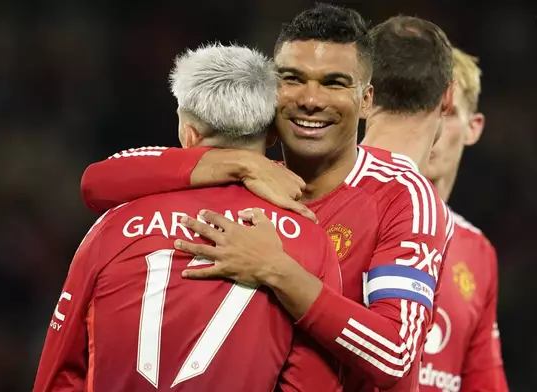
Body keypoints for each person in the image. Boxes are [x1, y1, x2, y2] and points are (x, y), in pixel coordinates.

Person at [79, 4, 454, 391]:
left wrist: (277, 270)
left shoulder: (402, 195)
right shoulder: (243, 181)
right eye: (292, 78)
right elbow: (98, 182)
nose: (311, 99)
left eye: (334, 83)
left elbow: (394, 354)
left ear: (366, 101)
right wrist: (236, 163)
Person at [32, 43, 342, 392]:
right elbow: (312, 382)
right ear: (272, 134)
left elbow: (62, 372)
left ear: (188, 133)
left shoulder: (114, 226)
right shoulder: (306, 235)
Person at [418, 48, 509, 392]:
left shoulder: (478, 252)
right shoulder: (354, 216)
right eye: (423, 110)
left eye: (449, 113)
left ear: (474, 128)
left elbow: (485, 381)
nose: (435, 129)